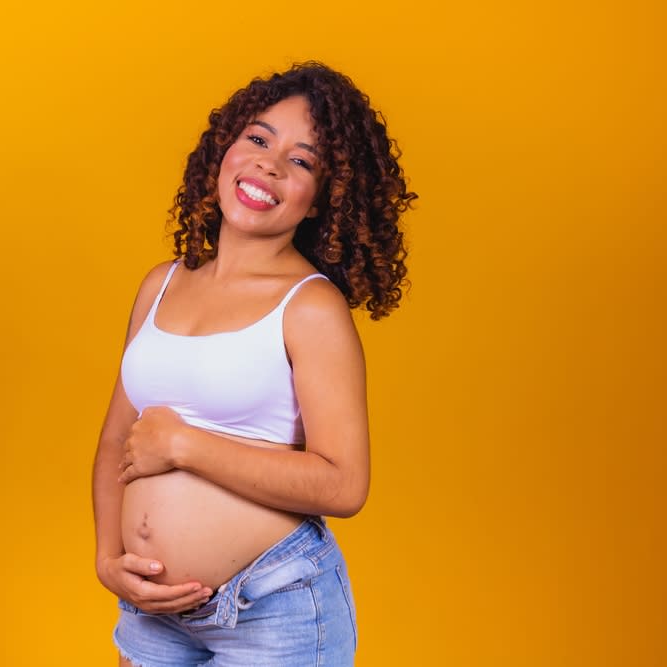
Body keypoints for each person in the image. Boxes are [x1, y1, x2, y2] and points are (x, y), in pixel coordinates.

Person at [91, 61, 416, 666]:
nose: (269, 163)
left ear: (324, 197)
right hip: (152, 614)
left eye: (302, 161)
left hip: (273, 610)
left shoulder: (311, 307)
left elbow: (344, 485)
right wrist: (110, 559)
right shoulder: (161, 285)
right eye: (259, 138)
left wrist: (187, 446)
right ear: (226, 147)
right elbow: (116, 441)